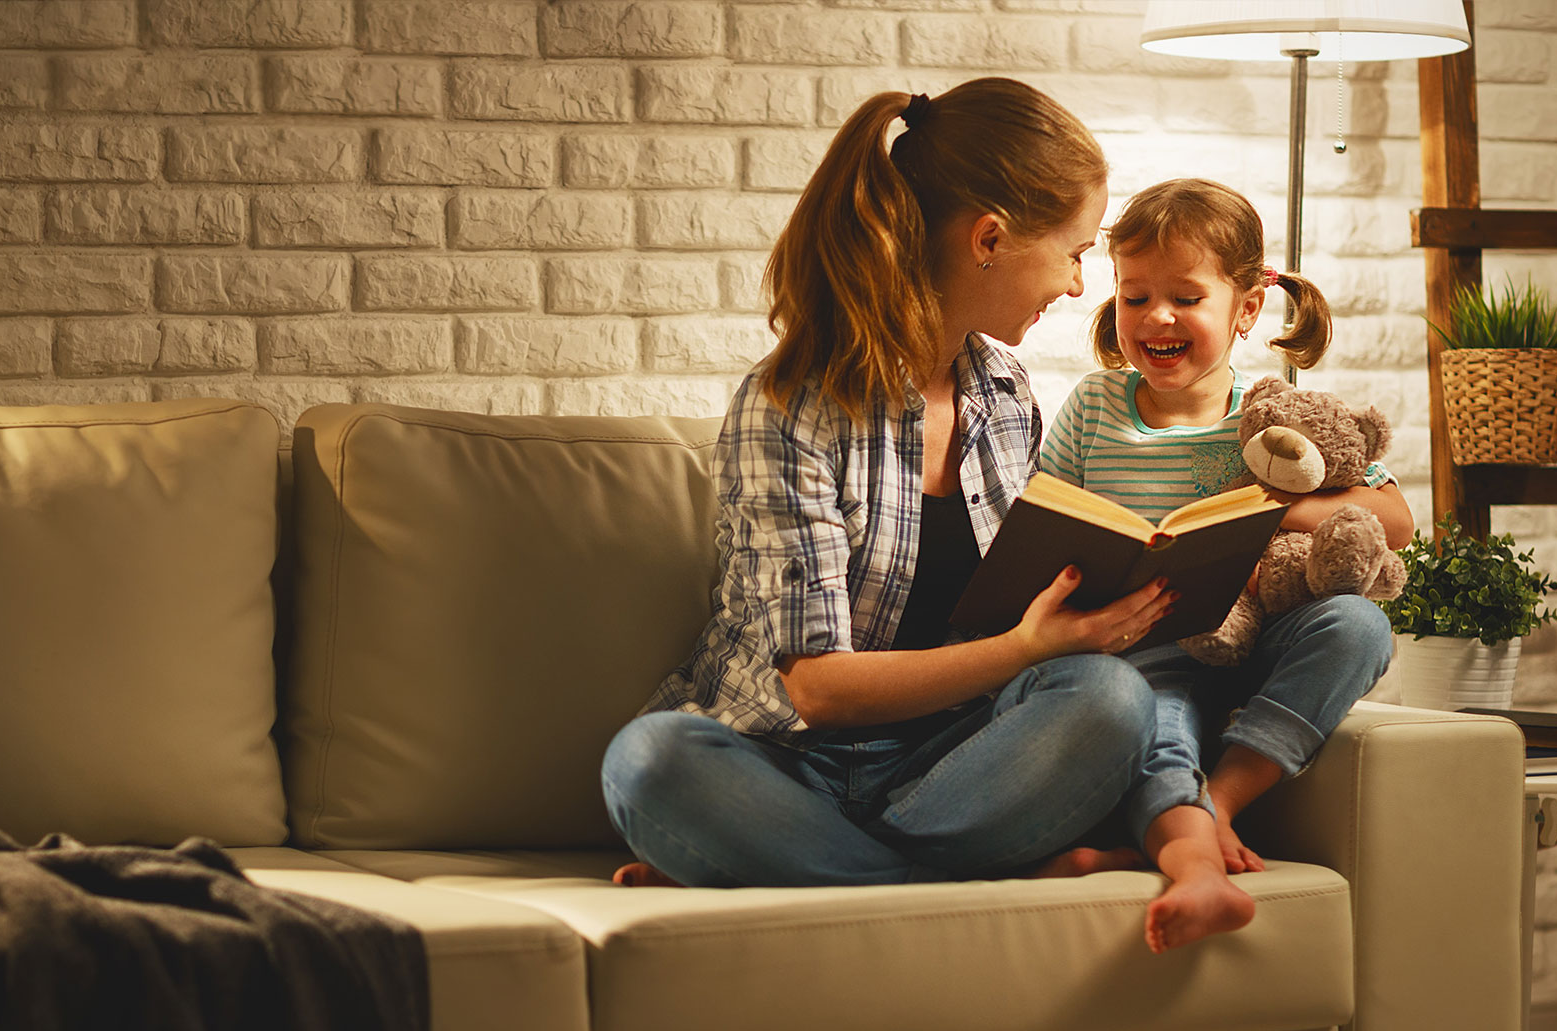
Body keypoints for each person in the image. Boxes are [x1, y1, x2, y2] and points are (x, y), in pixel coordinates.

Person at [600, 77, 1257, 954]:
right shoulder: (790, 404)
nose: (1074, 286)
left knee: (1107, 696)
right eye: (1071, 252)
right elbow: (817, 688)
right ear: (989, 238)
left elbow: (1025, 602)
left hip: (953, 766)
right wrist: (1026, 648)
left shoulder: (1005, 392)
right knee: (648, 762)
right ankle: (955, 877)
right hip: (787, 761)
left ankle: (798, 866)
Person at [1037, 178, 1415, 913]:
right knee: (1157, 717)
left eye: (1186, 297)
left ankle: (1226, 801)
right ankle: (1174, 839)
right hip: (1147, 646)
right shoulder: (1093, 405)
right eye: (1135, 297)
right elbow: (1051, 517)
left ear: (1245, 310)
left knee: (1359, 625)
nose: (1157, 317)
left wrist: (1271, 511)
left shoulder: (1274, 415)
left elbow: (1394, 519)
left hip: (1262, 634)